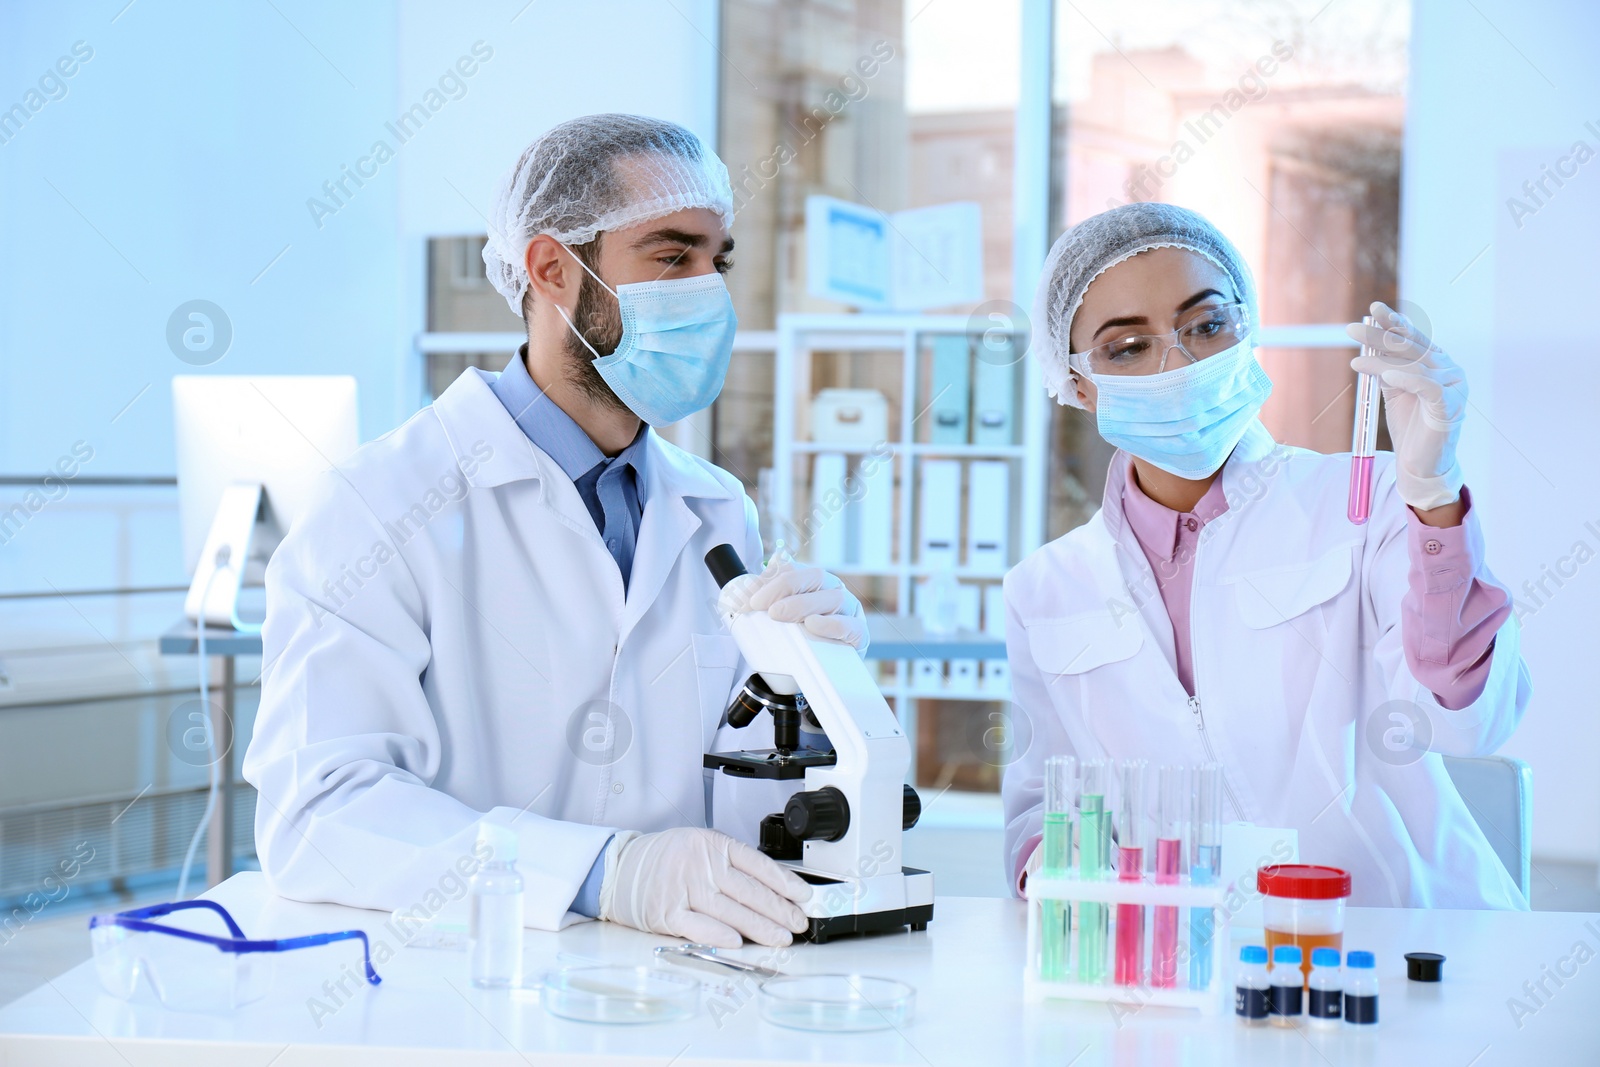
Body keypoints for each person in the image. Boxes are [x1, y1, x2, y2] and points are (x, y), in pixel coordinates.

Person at [244, 114, 868, 948]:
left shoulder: (716, 510)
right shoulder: (381, 503)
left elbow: (747, 813)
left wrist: (816, 689)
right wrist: (599, 871)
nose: (707, 291)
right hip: (466, 984)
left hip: (670, 991)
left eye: (715, 261)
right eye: (670, 255)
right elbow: (319, 811)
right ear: (551, 268)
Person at [1002, 202, 1530, 909]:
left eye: (1207, 324)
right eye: (1127, 347)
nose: (1179, 361)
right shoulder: (1045, 589)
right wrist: (1067, 887)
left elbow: (1465, 719)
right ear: (1073, 383)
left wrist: (1434, 495)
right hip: (1196, 972)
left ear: (1247, 327)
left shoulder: (1365, 503)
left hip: (1410, 944)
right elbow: (1039, 811)